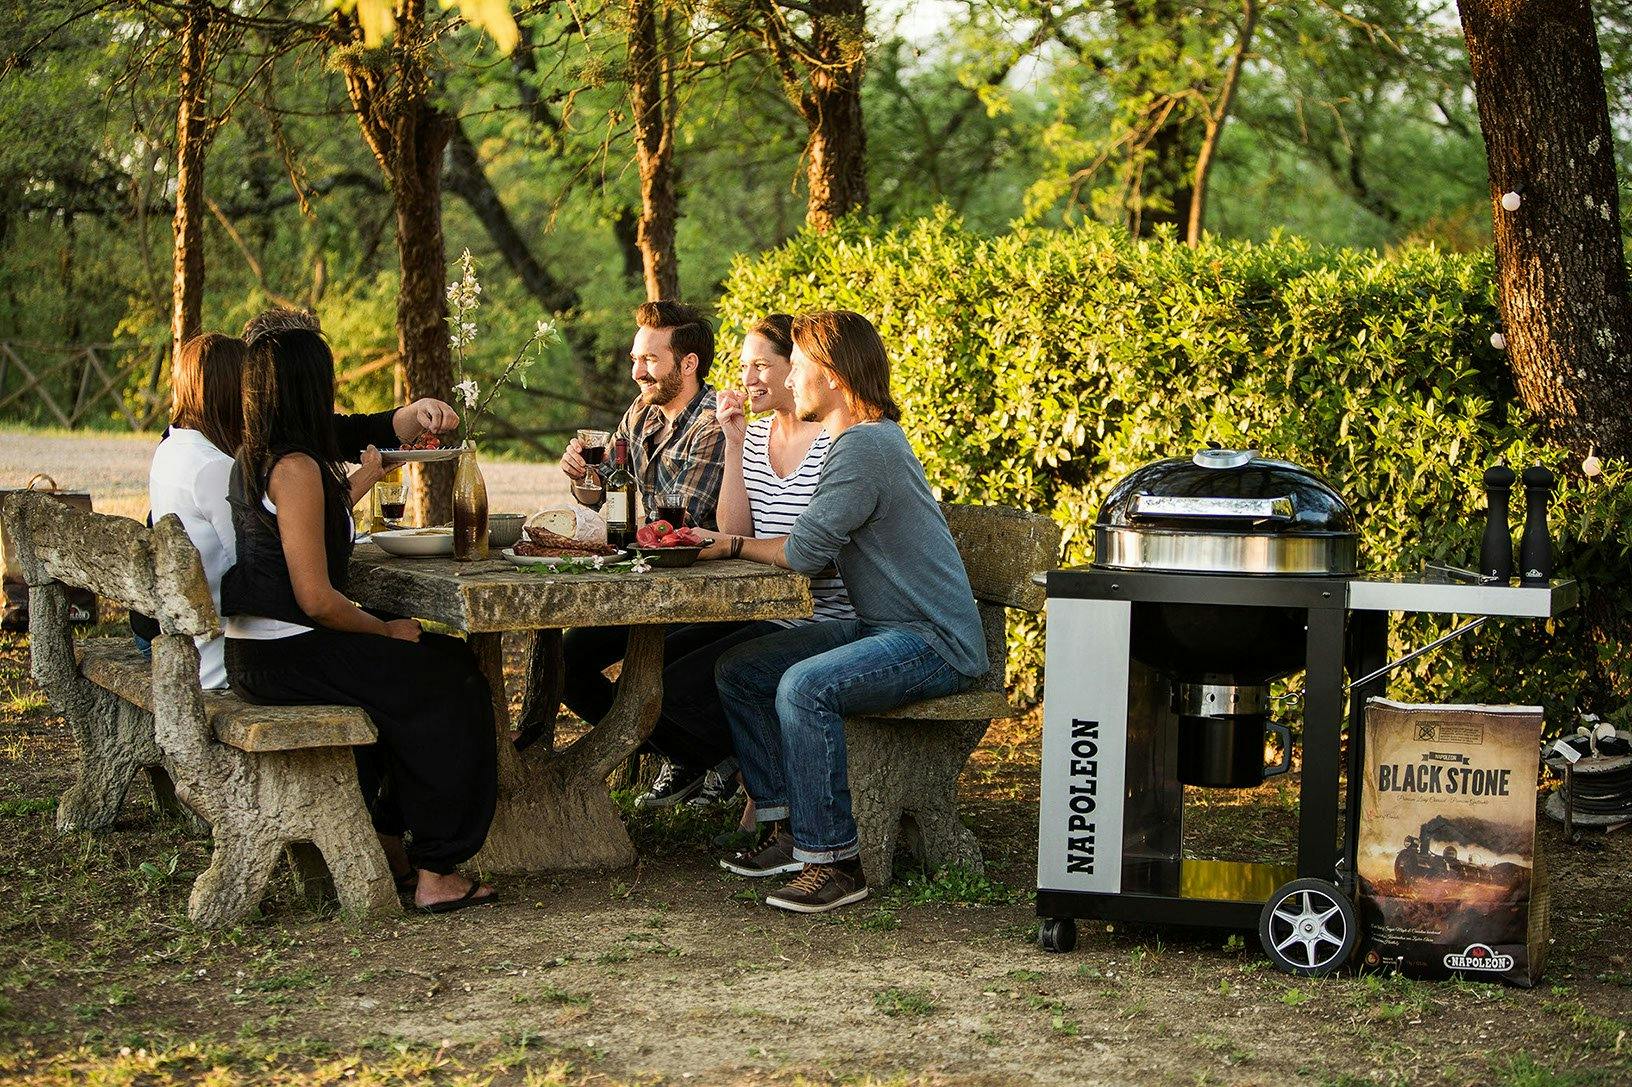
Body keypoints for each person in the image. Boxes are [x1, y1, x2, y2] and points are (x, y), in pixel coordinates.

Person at [701, 310, 987, 914]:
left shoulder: (865, 446)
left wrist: (730, 545)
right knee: (742, 669)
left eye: (799, 368)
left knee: (805, 688)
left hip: (935, 641)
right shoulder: (856, 441)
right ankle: (784, 831)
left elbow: (804, 553)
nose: (792, 380)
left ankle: (834, 863)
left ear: (830, 376)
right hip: (884, 627)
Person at [221, 328, 498, 914]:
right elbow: (317, 597)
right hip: (288, 652)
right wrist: (384, 631)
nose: (333, 390)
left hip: (267, 650)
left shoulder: (261, 450)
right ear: (306, 386)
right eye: (326, 379)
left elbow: (304, 527)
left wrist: (374, 464)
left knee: (439, 662)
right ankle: (438, 869)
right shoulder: (293, 466)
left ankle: (395, 844)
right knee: (452, 683)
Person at [130, 310, 460, 667]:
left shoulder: (184, 441)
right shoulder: (220, 465)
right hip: (211, 650)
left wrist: (416, 413)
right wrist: (378, 628)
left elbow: (350, 431)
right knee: (433, 659)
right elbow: (277, 563)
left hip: (172, 629)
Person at [632, 314, 857, 815]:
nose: (748, 379)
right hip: (768, 610)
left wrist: (737, 546)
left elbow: (806, 549)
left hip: (825, 617)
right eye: (742, 367)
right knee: (650, 679)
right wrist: (735, 443)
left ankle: (753, 773)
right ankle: (737, 762)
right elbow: (738, 532)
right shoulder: (752, 439)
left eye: (762, 366)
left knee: (687, 684)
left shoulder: (837, 441)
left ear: (795, 369)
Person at [549, 300, 727, 736]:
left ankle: (687, 753)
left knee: (649, 677)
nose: (637, 372)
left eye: (649, 359)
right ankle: (667, 750)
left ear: (689, 364)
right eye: (635, 359)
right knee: (565, 663)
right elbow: (604, 492)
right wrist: (582, 476)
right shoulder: (643, 411)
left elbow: (675, 527)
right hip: (645, 580)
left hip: (701, 586)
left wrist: (609, 495)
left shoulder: (714, 422)